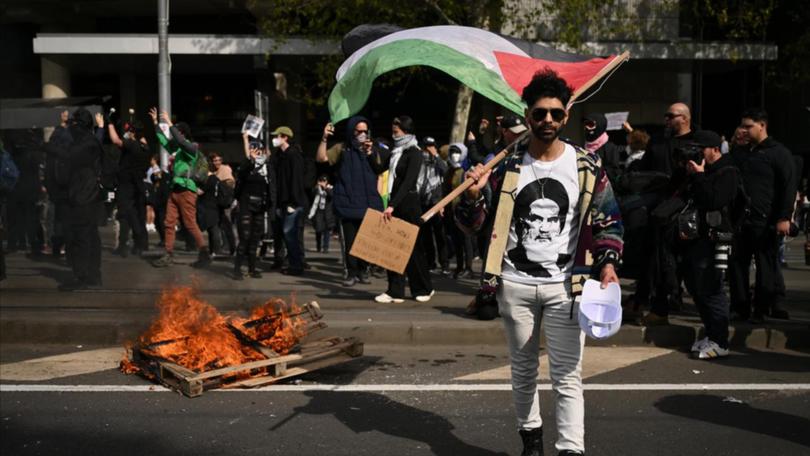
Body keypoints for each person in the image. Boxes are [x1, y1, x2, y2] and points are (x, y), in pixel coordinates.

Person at [458, 69, 623, 456]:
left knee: (568, 375)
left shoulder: (586, 166)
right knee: (524, 371)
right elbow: (472, 226)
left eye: (555, 113)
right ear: (527, 116)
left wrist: (608, 262)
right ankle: (531, 440)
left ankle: (570, 449)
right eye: (539, 113)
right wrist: (471, 195)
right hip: (514, 284)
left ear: (566, 117)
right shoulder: (503, 165)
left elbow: (608, 220)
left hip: (568, 286)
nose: (547, 120)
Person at [729, 108, 798, 322]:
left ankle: (761, 309)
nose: (744, 130)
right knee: (737, 264)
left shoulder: (779, 153)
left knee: (765, 267)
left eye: (748, 126)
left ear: (762, 125)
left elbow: (788, 187)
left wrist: (784, 217)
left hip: (766, 220)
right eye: (742, 126)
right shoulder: (740, 153)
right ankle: (740, 307)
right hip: (740, 220)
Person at [681, 130, 741, 359]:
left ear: (715, 149)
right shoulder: (705, 170)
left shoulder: (728, 171)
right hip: (699, 238)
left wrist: (699, 176)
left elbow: (714, 201)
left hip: (718, 238)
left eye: (700, 149)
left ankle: (720, 341)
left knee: (712, 288)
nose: (696, 153)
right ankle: (711, 335)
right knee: (696, 287)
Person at [369, 116, 434, 303]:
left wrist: (392, 205)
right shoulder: (394, 151)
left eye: (396, 130)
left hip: (409, 204)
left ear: (406, 130)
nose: (393, 133)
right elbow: (379, 169)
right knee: (392, 248)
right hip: (394, 203)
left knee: (413, 249)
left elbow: (408, 182)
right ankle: (395, 290)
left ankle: (423, 288)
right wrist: (368, 154)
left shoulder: (414, 152)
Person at [316, 116, 384, 287]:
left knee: (366, 242)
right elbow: (321, 158)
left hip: (369, 202)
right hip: (347, 202)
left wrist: (371, 152)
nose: (362, 134)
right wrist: (324, 138)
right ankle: (351, 272)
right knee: (349, 241)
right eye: (358, 131)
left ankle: (363, 270)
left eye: (364, 131)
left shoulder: (373, 149)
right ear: (351, 131)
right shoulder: (342, 148)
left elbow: (381, 171)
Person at [43, 108, 105, 291]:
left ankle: (83, 276)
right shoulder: (87, 140)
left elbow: (70, 155)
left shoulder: (88, 143)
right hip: (85, 195)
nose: (72, 128)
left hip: (85, 197)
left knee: (82, 238)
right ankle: (91, 275)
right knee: (89, 237)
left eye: (74, 124)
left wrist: (45, 146)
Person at [149, 108, 210, 268]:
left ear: (182, 133)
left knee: (190, 223)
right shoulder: (177, 150)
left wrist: (170, 123)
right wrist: (155, 123)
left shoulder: (191, 149)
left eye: (177, 132)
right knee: (169, 222)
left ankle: (204, 253)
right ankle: (168, 254)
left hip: (187, 191)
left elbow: (181, 141)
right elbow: (163, 141)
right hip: (175, 190)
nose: (174, 136)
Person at [232, 135, 275, 279]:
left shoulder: (268, 167)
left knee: (255, 239)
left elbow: (272, 187)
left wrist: (272, 205)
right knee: (244, 238)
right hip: (246, 205)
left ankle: (252, 268)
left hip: (261, 206)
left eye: (260, 149)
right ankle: (237, 269)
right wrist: (250, 159)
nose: (258, 152)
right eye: (254, 149)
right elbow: (241, 176)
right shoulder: (247, 165)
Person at [108, 118, 150, 257]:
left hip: (126, 184)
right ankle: (139, 245)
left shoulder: (132, 145)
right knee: (138, 214)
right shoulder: (145, 147)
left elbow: (115, 140)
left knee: (126, 214)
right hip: (139, 184)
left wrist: (110, 123)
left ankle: (124, 245)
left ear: (132, 132)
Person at [270, 126, 307, 276]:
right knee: (286, 234)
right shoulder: (279, 155)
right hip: (282, 201)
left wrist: (294, 202)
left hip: (292, 202)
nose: (274, 139)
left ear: (285, 137)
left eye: (277, 136)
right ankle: (293, 264)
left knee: (290, 234)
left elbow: (296, 180)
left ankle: (296, 266)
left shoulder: (294, 155)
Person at [416, 136, 449, 275]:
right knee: (426, 235)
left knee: (440, 235)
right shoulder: (419, 160)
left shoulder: (439, 161)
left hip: (436, 203)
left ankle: (445, 264)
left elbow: (446, 171)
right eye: (426, 146)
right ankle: (431, 263)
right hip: (422, 201)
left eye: (431, 146)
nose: (428, 149)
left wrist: (435, 154)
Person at [445, 143, 475, 279]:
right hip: (451, 210)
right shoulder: (449, 170)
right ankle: (459, 266)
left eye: (457, 152)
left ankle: (469, 268)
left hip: (463, 210)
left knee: (466, 240)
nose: (454, 155)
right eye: (452, 152)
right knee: (456, 240)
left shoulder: (466, 170)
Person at [583, 112, 623, 185]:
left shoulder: (610, 147)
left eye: (590, 124)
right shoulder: (583, 147)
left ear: (600, 125)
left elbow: (614, 172)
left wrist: (595, 171)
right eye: (585, 124)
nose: (586, 128)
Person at [210, 151, 236, 256]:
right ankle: (225, 247)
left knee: (227, 226)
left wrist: (221, 185)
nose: (217, 162)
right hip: (217, 203)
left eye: (219, 160)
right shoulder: (213, 171)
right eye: (215, 160)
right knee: (221, 225)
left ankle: (230, 247)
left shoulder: (225, 169)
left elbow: (231, 183)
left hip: (225, 202)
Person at [308, 175, 335, 253]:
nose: (322, 182)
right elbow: (312, 195)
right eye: (321, 180)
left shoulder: (330, 188)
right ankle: (318, 246)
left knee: (327, 230)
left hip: (327, 212)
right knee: (318, 230)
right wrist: (317, 187)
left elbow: (331, 195)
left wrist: (325, 188)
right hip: (319, 211)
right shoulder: (316, 189)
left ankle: (325, 247)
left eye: (324, 181)